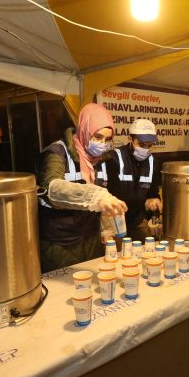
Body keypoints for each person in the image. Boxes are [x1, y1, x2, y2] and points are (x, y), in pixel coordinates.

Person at [36, 103, 127, 272]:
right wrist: (96, 196)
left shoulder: (102, 158)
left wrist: (107, 230)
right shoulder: (56, 153)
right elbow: (52, 188)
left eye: (108, 139)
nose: (102, 144)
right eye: (97, 137)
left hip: (90, 239)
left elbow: (105, 193)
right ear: (84, 130)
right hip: (61, 242)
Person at [105, 118, 162, 240]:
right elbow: (112, 195)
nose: (146, 149)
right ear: (130, 140)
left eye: (149, 145)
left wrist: (155, 203)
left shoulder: (153, 162)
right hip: (114, 223)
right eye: (141, 144)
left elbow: (152, 192)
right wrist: (144, 203)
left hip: (138, 221)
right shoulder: (114, 159)